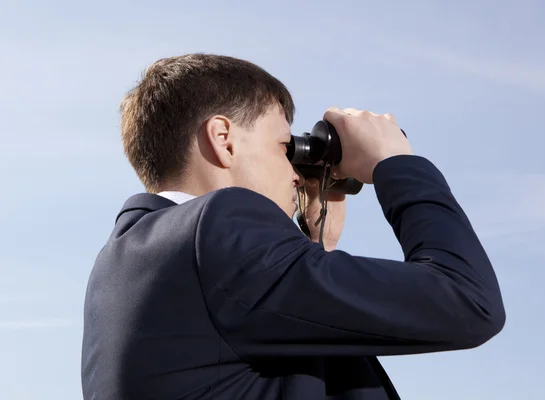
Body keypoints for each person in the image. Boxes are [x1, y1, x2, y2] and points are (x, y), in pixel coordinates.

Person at [81, 53, 506, 400]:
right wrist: (396, 164)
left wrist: (313, 246)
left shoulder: (122, 263)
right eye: (286, 148)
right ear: (223, 138)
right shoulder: (220, 224)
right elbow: (467, 301)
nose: (296, 174)